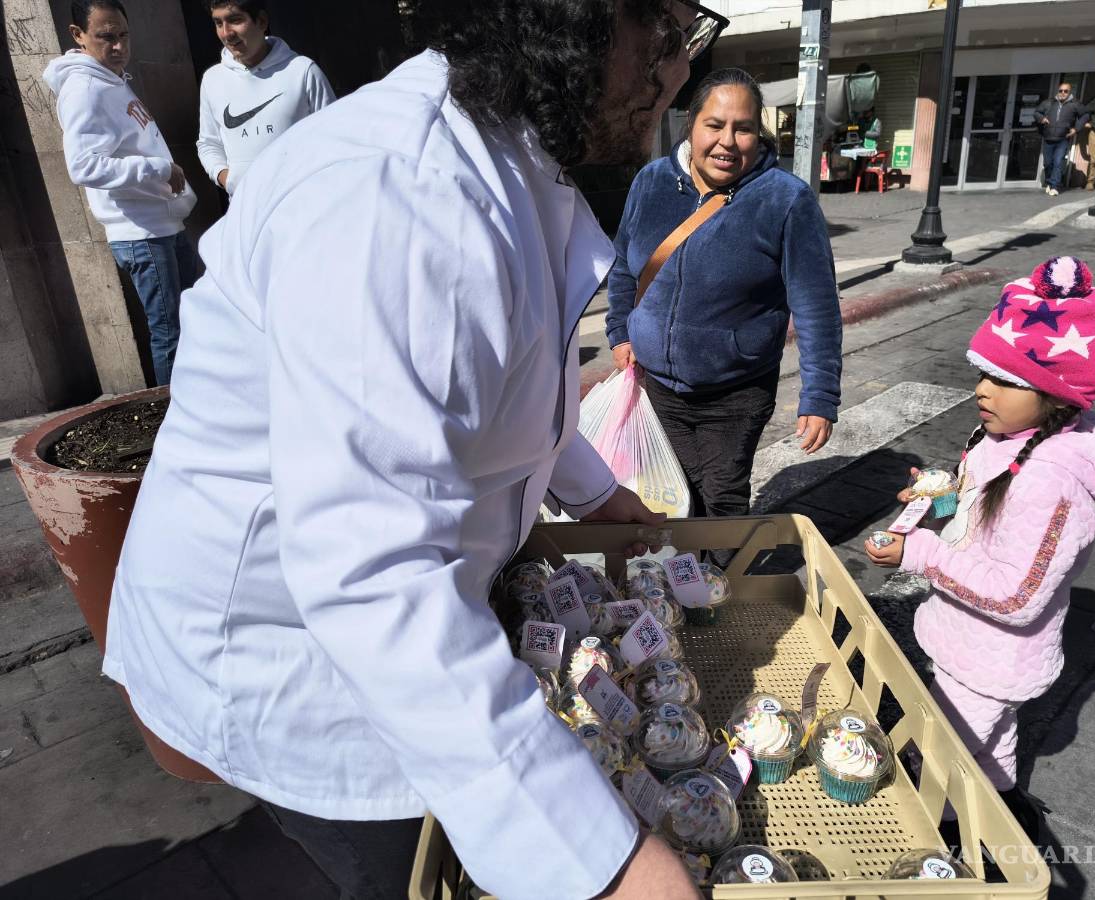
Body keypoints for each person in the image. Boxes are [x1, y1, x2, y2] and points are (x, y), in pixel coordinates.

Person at [104, 2, 725, 898]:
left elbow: (499, 390)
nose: (681, 72)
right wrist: (605, 863)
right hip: (292, 662)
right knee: (401, 871)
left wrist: (592, 492)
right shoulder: (402, 194)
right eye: (666, 31)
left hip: (376, 628)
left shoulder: (509, 154)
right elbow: (370, 569)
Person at [865, 256, 1095, 837]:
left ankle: (945, 835)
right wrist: (940, 497)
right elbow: (975, 509)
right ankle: (1003, 802)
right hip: (966, 639)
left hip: (992, 655)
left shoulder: (1049, 484)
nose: (982, 390)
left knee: (944, 750)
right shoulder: (1000, 434)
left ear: (1056, 396)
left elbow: (1016, 597)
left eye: (1005, 380)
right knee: (991, 738)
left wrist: (920, 555)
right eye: (983, 372)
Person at [606, 67, 841, 531]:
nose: (727, 142)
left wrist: (819, 395)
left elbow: (815, 306)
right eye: (714, 125)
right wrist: (619, 330)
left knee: (721, 497)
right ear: (690, 125)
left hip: (736, 389)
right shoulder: (651, 181)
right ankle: (674, 590)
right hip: (657, 383)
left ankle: (717, 593)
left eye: (744, 128)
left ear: (759, 132)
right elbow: (622, 266)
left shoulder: (786, 200)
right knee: (667, 489)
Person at [43, 0, 198, 386]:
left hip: (162, 222)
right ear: (78, 36)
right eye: (105, 37)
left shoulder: (112, 80)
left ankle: (201, 416)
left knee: (189, 327)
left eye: (123, 35)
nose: (117, 46)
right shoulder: (84, 89)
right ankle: (173, 426)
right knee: (170, 335)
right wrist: (157, 168)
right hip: (141, 233)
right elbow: (83, 166)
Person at [197, 0, 335, 197]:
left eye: (235, 20)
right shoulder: (212, 79)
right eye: (219, 23)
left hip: (304, 206)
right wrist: (228, 179)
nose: (226, 33)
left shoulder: (303, 70)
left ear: (261, 21)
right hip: (246, 213)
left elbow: (333, 138)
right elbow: (209, 144)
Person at [1034, 82, 1087, 196]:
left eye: (1066, 91)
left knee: (1058, 162)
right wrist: (1042, 118)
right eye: (1061, 91)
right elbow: (1037, 112)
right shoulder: (1049, 102)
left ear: (1070, 92)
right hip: (1048, 137)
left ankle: (1054, 186)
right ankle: (1049, 182)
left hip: (1063, 139)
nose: (1063, 93)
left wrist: (1076, 129)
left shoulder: (1075, 104)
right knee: (1048, 163)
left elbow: (1085, 115)